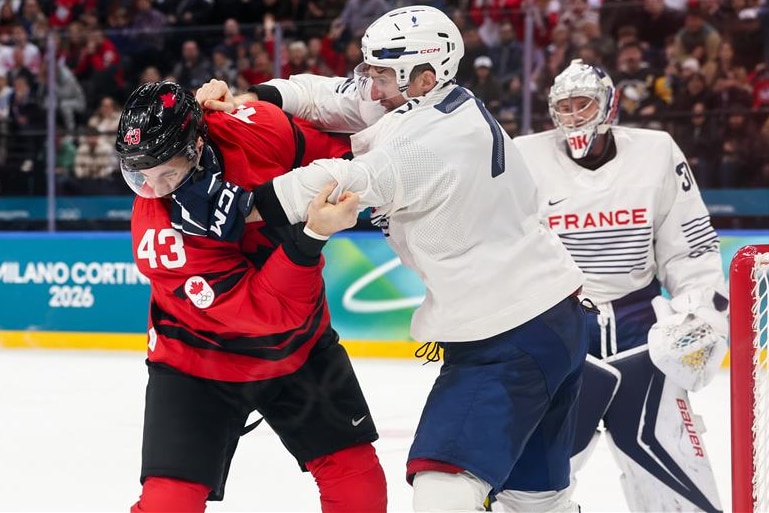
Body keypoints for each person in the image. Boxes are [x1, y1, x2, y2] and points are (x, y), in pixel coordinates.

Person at [196, 5, 590, 512]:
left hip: (508, 336)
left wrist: (235, 207)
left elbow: (341, 182)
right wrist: (257, 98)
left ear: (425, 76)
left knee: (442, 491)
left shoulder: (432, 142)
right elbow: (332, 95)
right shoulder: (431, 101)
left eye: (383, 74)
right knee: (537, 503)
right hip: (551, 319)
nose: (370, 85)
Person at [114, 80, 387, 513]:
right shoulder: (159, 238)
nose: (158, 190)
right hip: (197, 363)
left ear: (199, 143)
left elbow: (348, 156)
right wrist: (312, 233)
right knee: (169, 504)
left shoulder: (255, 127)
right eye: (141, 178)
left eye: (168, 171)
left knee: (358, 486)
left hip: (299, 349)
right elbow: (268, 313)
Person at [512, 59, 728, 512]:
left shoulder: (656, 152)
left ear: (608, 107)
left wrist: (701, 313)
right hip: (562, 336)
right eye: (563, 107)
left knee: (678, 478)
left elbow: (688, 245)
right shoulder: (524, 157)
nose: (573, 116)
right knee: (528, 488)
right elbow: (506, 248)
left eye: (583, 104)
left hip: (641, 335)